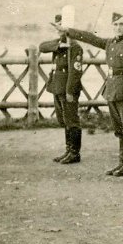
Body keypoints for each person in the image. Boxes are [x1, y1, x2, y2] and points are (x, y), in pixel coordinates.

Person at [53, 12, 123, 176]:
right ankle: (122, 163)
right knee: (119, 129)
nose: (118, 27)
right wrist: (68, 30)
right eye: (115, 25)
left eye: (121, 24)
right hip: (112, 91)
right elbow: (90, 38)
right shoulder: (110, 43)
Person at [40, 14, 84, 164]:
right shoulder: (59, 44)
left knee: (71, 120)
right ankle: (68, 150)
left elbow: (75, 72)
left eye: (61, 26)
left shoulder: (75, 47)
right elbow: (42, 46)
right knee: (63, 120)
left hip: (68, 88)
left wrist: (70, 91)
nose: (58, 29)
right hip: (57, 87)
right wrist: (59, 46)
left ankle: (74, 153)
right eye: (57, 26)